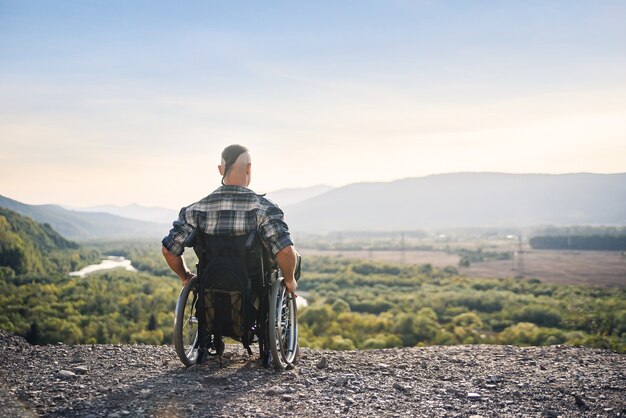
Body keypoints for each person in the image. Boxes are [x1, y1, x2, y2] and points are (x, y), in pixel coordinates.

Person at [161, 144, 299, 294]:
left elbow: (168, 251)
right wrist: (289, 280)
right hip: (256, 293)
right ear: (249, 168)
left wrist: (185, 276)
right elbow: (285, 252)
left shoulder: (195, 211)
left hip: (210, 292)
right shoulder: (264, 209)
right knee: (294, 258)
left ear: (220, 170)